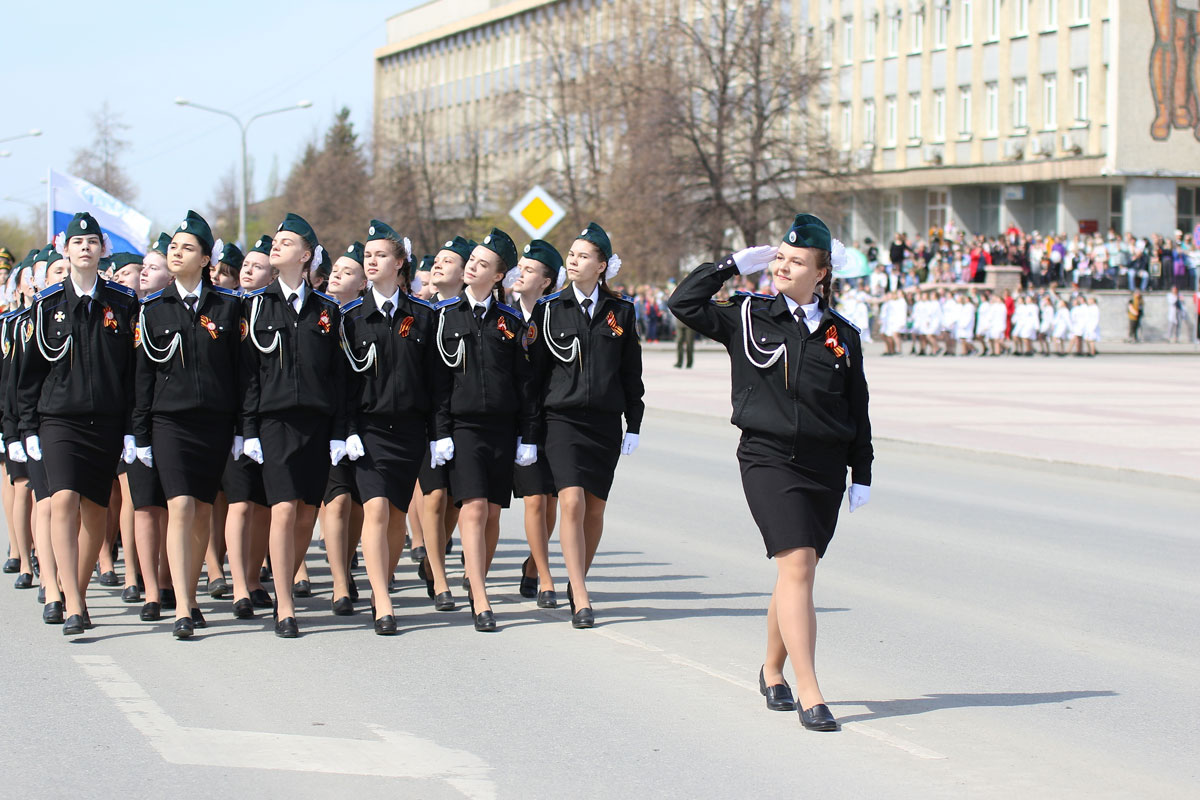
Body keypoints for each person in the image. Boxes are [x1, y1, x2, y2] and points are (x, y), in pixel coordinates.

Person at [667, 213, 872, 732]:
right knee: (798, 564)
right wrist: (730, 266)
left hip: (824, 466)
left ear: (821, 272)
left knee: (794, 574)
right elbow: (682, 304)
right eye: (779, 257)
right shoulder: (747, 314)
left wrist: (862, 471)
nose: (782, 265)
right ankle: (811, 691)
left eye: (796, 261)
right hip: (768, 457)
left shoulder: (842, 334)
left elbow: (857, 408)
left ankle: (773, 670)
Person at [16, 212, 140, 635]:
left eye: (92, 242)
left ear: (102, 250)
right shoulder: (47, 305)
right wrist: (27, 429)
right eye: (77, 242)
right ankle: (67, 600)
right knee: (64, 498)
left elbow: (132, 373)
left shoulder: (122, 303)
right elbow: (28, 374)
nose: (85, 247)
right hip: (59, 420)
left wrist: (130, 427)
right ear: (65, 251)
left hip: (105, 420)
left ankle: (77, 593)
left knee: (95, 511)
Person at [528, 222, 644, 628]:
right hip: (562, 419)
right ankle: (579, 592)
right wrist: (530, 432)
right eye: (570, 255)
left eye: (582, 256)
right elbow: (535, 378)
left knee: (594, 508)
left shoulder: (622, 312)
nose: (573, 261)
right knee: (572, 501)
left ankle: (579, 578)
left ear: (602, 266)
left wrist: (635, 423)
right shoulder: (548, 309)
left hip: (605, 424)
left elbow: (632, 373)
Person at [132, 211, 242, 639]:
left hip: (214, 423)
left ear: (205, 259)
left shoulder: (229, 308)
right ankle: (180, 603)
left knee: (200, 512)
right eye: (173, 247)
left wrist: (241, 427)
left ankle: (191, 594)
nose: (176, 254)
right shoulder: (152, 309)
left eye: (186, 248)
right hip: (170, 422)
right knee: (179, 506)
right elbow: (142, 376)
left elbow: (242, 373)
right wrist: (139, 433)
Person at [240, 214, 347, 638]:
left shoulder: (329, 310)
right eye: (275, 242)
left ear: (305, 256)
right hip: (274, 421)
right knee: (283, 508)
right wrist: (247, 430)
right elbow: (248, 374)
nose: (275, 246)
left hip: (317, 423)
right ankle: (284, 602)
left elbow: (339, 377)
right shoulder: (254, 305)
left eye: (286, 242)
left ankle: (283, 573)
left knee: (306, 511)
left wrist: (340, 431)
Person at [339, 221, 445, 635]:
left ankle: (382, 581)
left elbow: (436, 383)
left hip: (409, 431)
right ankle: (381, 599)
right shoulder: (350, 317)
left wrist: (439, 434)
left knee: (398, 517)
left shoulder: (422, 316)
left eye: (380, 254)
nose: (371, 260)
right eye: (368, 254)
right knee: (377, 508)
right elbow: (343, 382)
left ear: (400, 263)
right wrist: (345, 429)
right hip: (367, 430)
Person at [431, 228, 537, 632]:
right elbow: (437, 381)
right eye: (471, 261)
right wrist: (440, 431)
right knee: (472, 508)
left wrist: (527, 436)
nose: (473, 267)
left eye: (482, 264)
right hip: (463, 428)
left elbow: (525, 385)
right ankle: (480, 596)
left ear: (498, 277)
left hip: (502, 428)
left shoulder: (511, 321)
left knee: (492, 512)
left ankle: (478, 577)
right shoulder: (443, 316)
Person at [418, 236, 473, 608]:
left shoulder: (480, 313)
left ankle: (432, 556)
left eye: (448, 260)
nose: (438, 265)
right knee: (434, 494)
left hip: (466, 418)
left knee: (456, 498)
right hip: (425, 418)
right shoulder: (419, 312)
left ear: (465, 272)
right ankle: (439, 578)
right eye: (437, 259)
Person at [508, 239, 563, 606]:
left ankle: (532, 564)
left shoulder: (556, 316)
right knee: (533, 501)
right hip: (514, 422)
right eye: (520, 267)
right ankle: (544, 576)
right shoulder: (503, 314)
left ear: (545, 281)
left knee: (552, 501)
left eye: (529, 270)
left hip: (553, 420)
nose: (520, 273)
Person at [223, 235, 275, 619]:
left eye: (258, 267)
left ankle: (255, 578)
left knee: (262, 505)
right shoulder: (227, 308)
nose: (248, 272)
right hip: (232, 419)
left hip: (267, 420)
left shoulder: (274, 309)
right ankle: (238, 582)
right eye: (246, 266)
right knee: (239, 503)